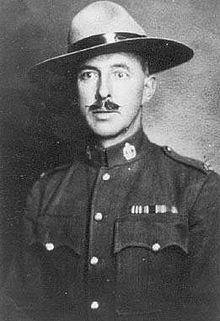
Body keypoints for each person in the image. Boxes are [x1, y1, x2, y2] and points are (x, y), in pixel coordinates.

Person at [1, 1, 219, 321]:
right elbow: (18, 310)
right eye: (89, 74)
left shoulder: (197, 190)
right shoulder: (46, 192)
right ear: (75, 88)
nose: (104, 92)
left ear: (146, 88)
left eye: (120, 72)